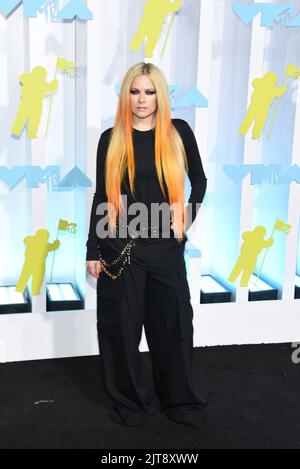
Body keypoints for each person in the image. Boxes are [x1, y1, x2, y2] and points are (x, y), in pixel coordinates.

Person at [86, 62, 208, 428]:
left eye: (149, 92)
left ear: (160, 96)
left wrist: (186, 216)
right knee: (122, 329)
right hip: (121, 248)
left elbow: (199, 180)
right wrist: (92, 248)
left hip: (166, 249)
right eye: (135, 92)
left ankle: (179, 400)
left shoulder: (178, 132)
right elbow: (101, 196)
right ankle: (132, 402)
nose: (142, 100)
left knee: (172, 325)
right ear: (126, 95)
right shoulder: (111, 138)